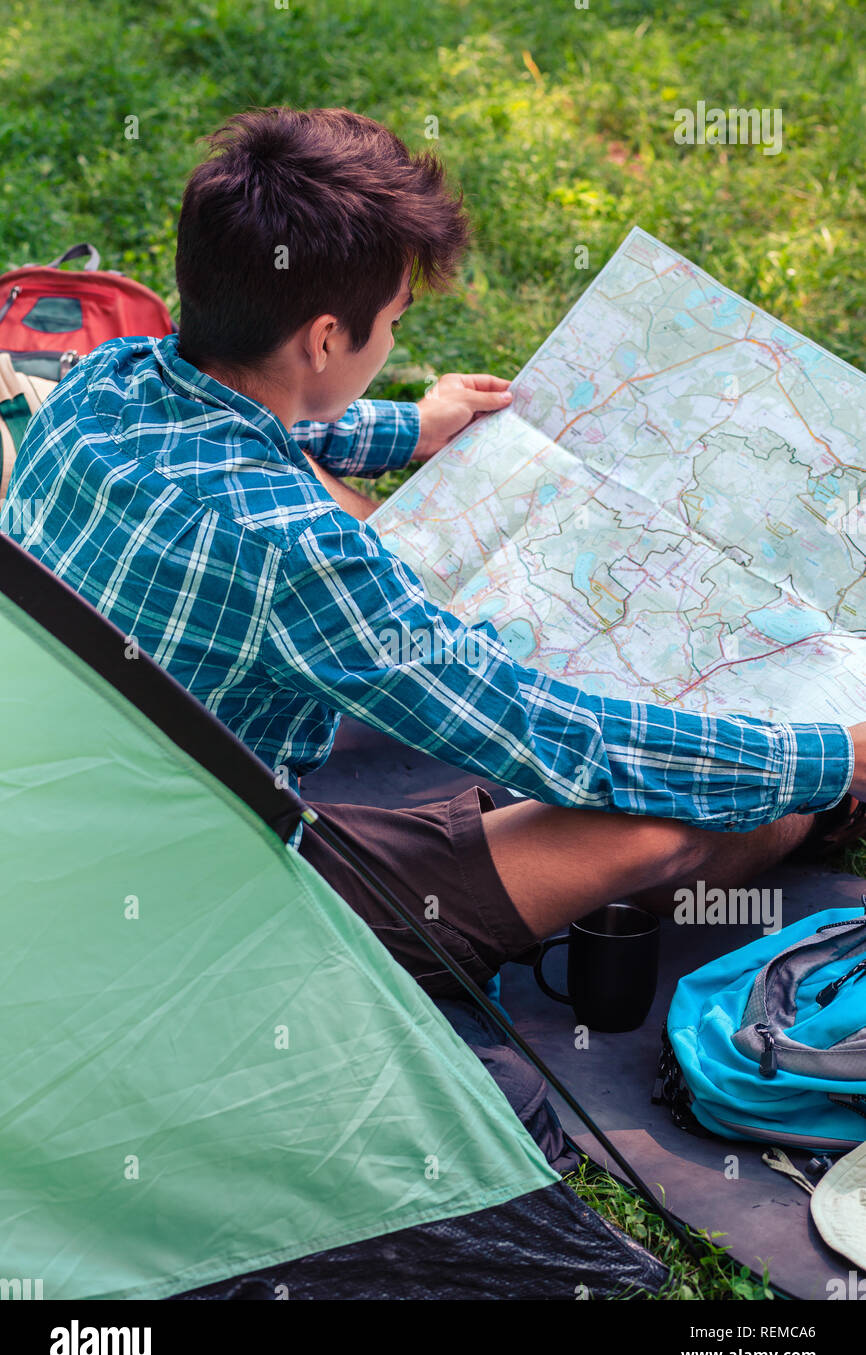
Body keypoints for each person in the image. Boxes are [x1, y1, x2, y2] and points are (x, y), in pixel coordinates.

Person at [3, 106, 864, 999]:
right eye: (393, 322)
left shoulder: (103, 380)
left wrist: (411, 426)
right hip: (189, 897)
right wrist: (836, 756)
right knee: (652, 827)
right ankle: (828, 794)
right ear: (328, 338)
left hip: (57, 797)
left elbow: (251, 421)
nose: (395, 342)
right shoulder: (299, 553)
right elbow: (566, 744)